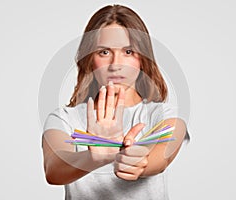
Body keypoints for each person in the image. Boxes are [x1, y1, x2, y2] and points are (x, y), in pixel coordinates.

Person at [42, 4, 189, 200]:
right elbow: (54, 170)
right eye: (104, 52)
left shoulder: (164, 115)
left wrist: (139, 162)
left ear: (142, 59)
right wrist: (93, 158)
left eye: (128, 52)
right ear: (89, 59)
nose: (115, 65)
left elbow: (162, 155)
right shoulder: (64, 119)